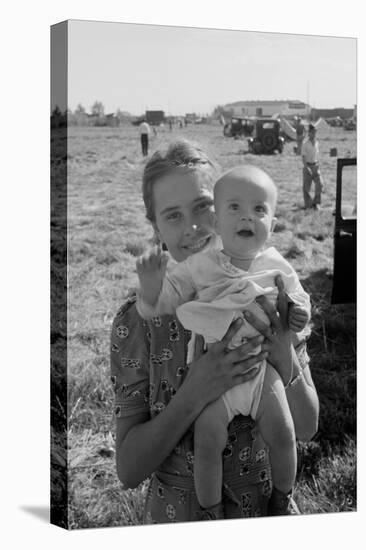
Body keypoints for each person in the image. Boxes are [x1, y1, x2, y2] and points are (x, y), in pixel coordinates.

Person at [110, 139, 319, 523]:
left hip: (263, 518)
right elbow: (129, 470)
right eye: (172, 215)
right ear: (154, 224)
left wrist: (284, 351)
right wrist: (194, 393)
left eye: (204, 207)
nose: (193, 227)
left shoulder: (266, 293)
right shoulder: (135, 322)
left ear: (224, 207)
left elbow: (305, 428)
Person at [301, 124, 324, 210]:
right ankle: (308, 205)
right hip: (307, 166)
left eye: (315, 132)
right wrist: (306, 167)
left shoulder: (317, 143)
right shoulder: (305, 144)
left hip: (316, 166)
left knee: (320, 184)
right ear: (309, 133)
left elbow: (317, 155)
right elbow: (303, 157)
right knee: (306, 188)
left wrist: (318, 164)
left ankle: (316, 203)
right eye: (313, 132)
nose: (314, 134)